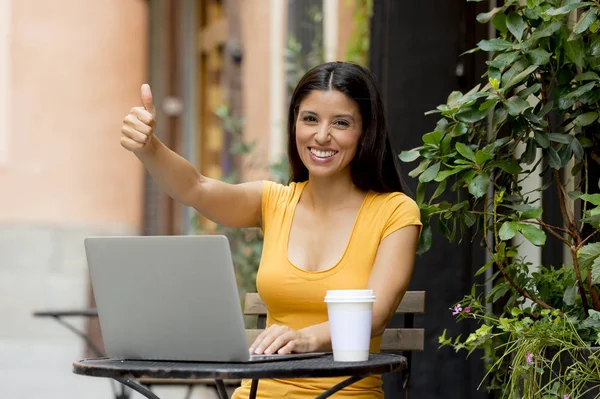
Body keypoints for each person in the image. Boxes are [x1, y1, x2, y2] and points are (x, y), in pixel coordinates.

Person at [120, 61, 421, 399]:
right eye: (310, 119)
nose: (322, 135)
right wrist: (149, 147)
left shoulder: (395, 212)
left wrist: (307, 338)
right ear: (294, 124)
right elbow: (196, 188)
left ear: (366, 131)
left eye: (341, 123)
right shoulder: (274, 202)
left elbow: (376, 316)